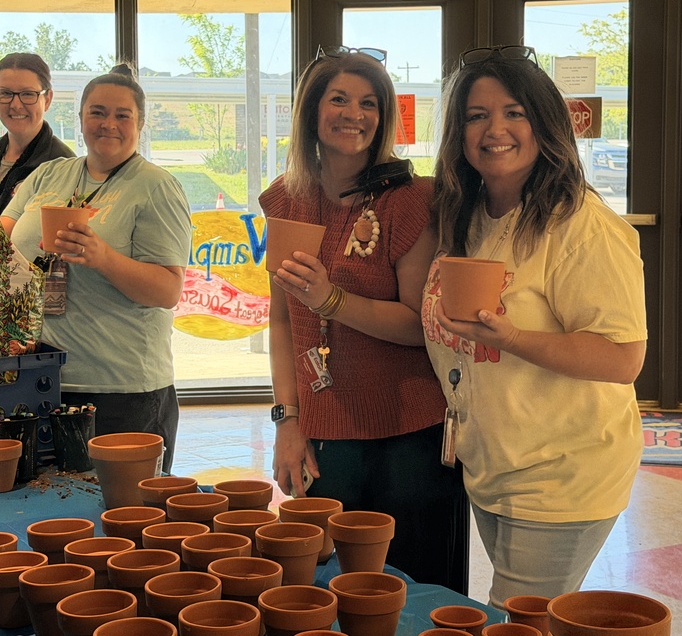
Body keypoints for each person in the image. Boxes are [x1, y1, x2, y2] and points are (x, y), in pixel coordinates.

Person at [422, 44, 648, 608]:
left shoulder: (580, 225)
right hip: (495, 462)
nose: (494, 129)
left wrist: (514, 339)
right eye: (476, 116)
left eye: (514, 112)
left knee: (516, 618)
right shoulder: (467, 215)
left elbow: (623, 357)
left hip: (563, 471)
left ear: (545, 124)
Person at [259, 47, 469, 589]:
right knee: (335, 587)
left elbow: (420, 325)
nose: (353, 114)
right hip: (326, 430)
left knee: (418, 588)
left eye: (369, 103)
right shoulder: (286, 199)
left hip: (410, 430)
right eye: (339, 99)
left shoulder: (410, 199)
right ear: (311, 110)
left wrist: (333, 301)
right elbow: (282, 320)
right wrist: (287, 421)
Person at [0, 63, 192, 471]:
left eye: (123, 115)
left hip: (122, 390)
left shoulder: (155, 187)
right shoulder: (49, 175)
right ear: (81, 118)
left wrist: (102, 258)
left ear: (140, 123)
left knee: (126, 522)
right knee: (56, 517)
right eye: (97, 112)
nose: (109, 124)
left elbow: (168, 291)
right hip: (43, 380)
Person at [0, 52, 75, 214]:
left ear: (47, 100)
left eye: (27, 94)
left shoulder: (62, 165)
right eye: (5, 93)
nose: (16, 105)